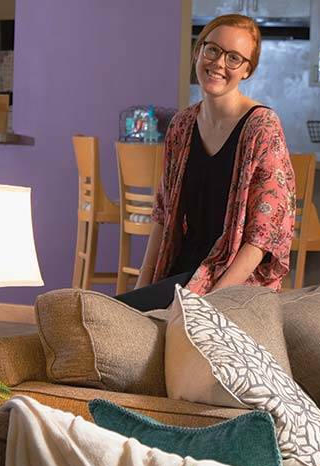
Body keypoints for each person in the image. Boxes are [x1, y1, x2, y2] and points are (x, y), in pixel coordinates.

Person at [115, 14, 295, 312]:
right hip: (180, 273)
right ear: (198, 52)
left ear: (247, 70)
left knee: (107, 316)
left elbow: (263, 237)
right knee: (115, 314)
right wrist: (142, 286)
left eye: (234, 58)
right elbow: (163, 214)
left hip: (233, 282)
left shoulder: (262, 127)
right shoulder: (182, 124)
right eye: (212, 50)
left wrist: (208, 305)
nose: (219, 63)